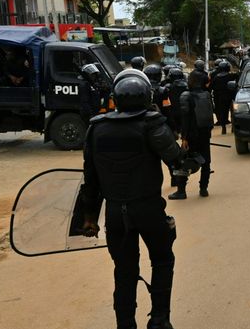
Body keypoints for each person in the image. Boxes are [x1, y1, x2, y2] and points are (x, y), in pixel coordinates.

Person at [79, 71, 185, 329]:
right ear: (148, 96)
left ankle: (125, 325)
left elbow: (90, 181)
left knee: (123, 271)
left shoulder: (96, 128)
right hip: (149, 209)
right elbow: (177, 161)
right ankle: (160, 320)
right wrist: (190, 160)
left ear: (116, 98)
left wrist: (90, 218)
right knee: (162, 261)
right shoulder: (152, 123)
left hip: (115, 213)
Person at [169, 71, 214, 200]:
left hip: (192, 135)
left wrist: (184, 138)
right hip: (205, 133)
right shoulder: (206, 94)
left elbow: (185, 119)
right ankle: (203, 188)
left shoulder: (186, 96)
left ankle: (181, 191)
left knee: (183, 161)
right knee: (206, 161)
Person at [211, 60, 236, 134]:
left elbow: (213, 86)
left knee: (223, 112)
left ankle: (223, 128)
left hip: (220, 97)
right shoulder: (231, 76)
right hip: (231, 96)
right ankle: (233, 127)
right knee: (233, 112)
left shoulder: (216, 77)